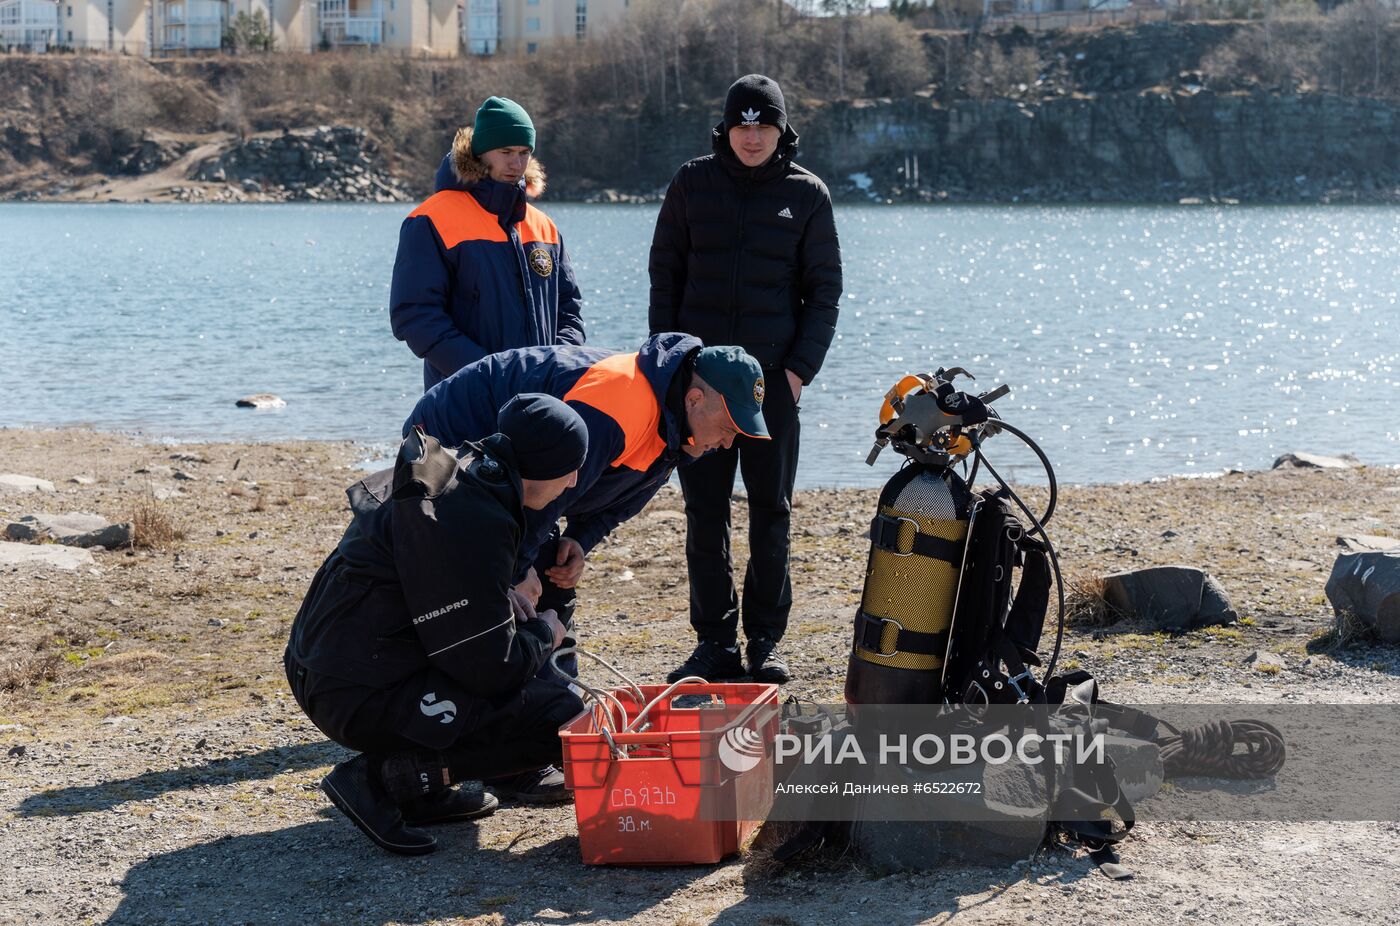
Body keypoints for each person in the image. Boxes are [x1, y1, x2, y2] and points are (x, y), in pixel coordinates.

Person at [405, 335, 770, 797]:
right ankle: (514, 758)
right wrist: (517, 570)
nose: (730, 441)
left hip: (524, 475)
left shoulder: (677, 421)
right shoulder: (620, 406)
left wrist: (580, 538)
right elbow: (537, 498)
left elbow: (620, 496)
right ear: (696, 398)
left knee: (553, 583)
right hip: (451, 439)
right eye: (732, 426)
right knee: (499, 600)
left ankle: (555, 734)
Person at [284, 394, 589, 856]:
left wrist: (493, 600)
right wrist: (546, 630)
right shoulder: (476, 518)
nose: (574, 481)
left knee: (525, 691)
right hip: (354, 691)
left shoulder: (458, 475)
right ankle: (381, 778)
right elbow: (493, 668)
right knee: (562, 720)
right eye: (570, 468)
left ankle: (420, 790)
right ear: (542, 466)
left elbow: (422, 584)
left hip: (326, 668)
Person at [648, 74, 843, 685]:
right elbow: (665, 278)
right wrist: (670, 367)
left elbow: (825, 292)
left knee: (771, 511)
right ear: (725, 128)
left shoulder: (807, 194)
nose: (752, 135)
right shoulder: (691, 183)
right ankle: (714, 643)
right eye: (742, 124)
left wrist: (796, 374)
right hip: (700, 388)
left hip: (770, 390)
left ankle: (764, 641)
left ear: (782, 129)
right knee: (704, 513)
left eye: (764, 124)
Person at [390, 96, 585, 391]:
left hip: (543, 395)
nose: (516, 163)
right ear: (481, 153)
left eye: (523, 152)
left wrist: (557, 365)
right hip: (465, 397)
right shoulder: (430, 219)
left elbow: (569, 310)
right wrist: (488, 374)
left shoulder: (544, 226)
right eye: (505, 151)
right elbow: (415, 315)